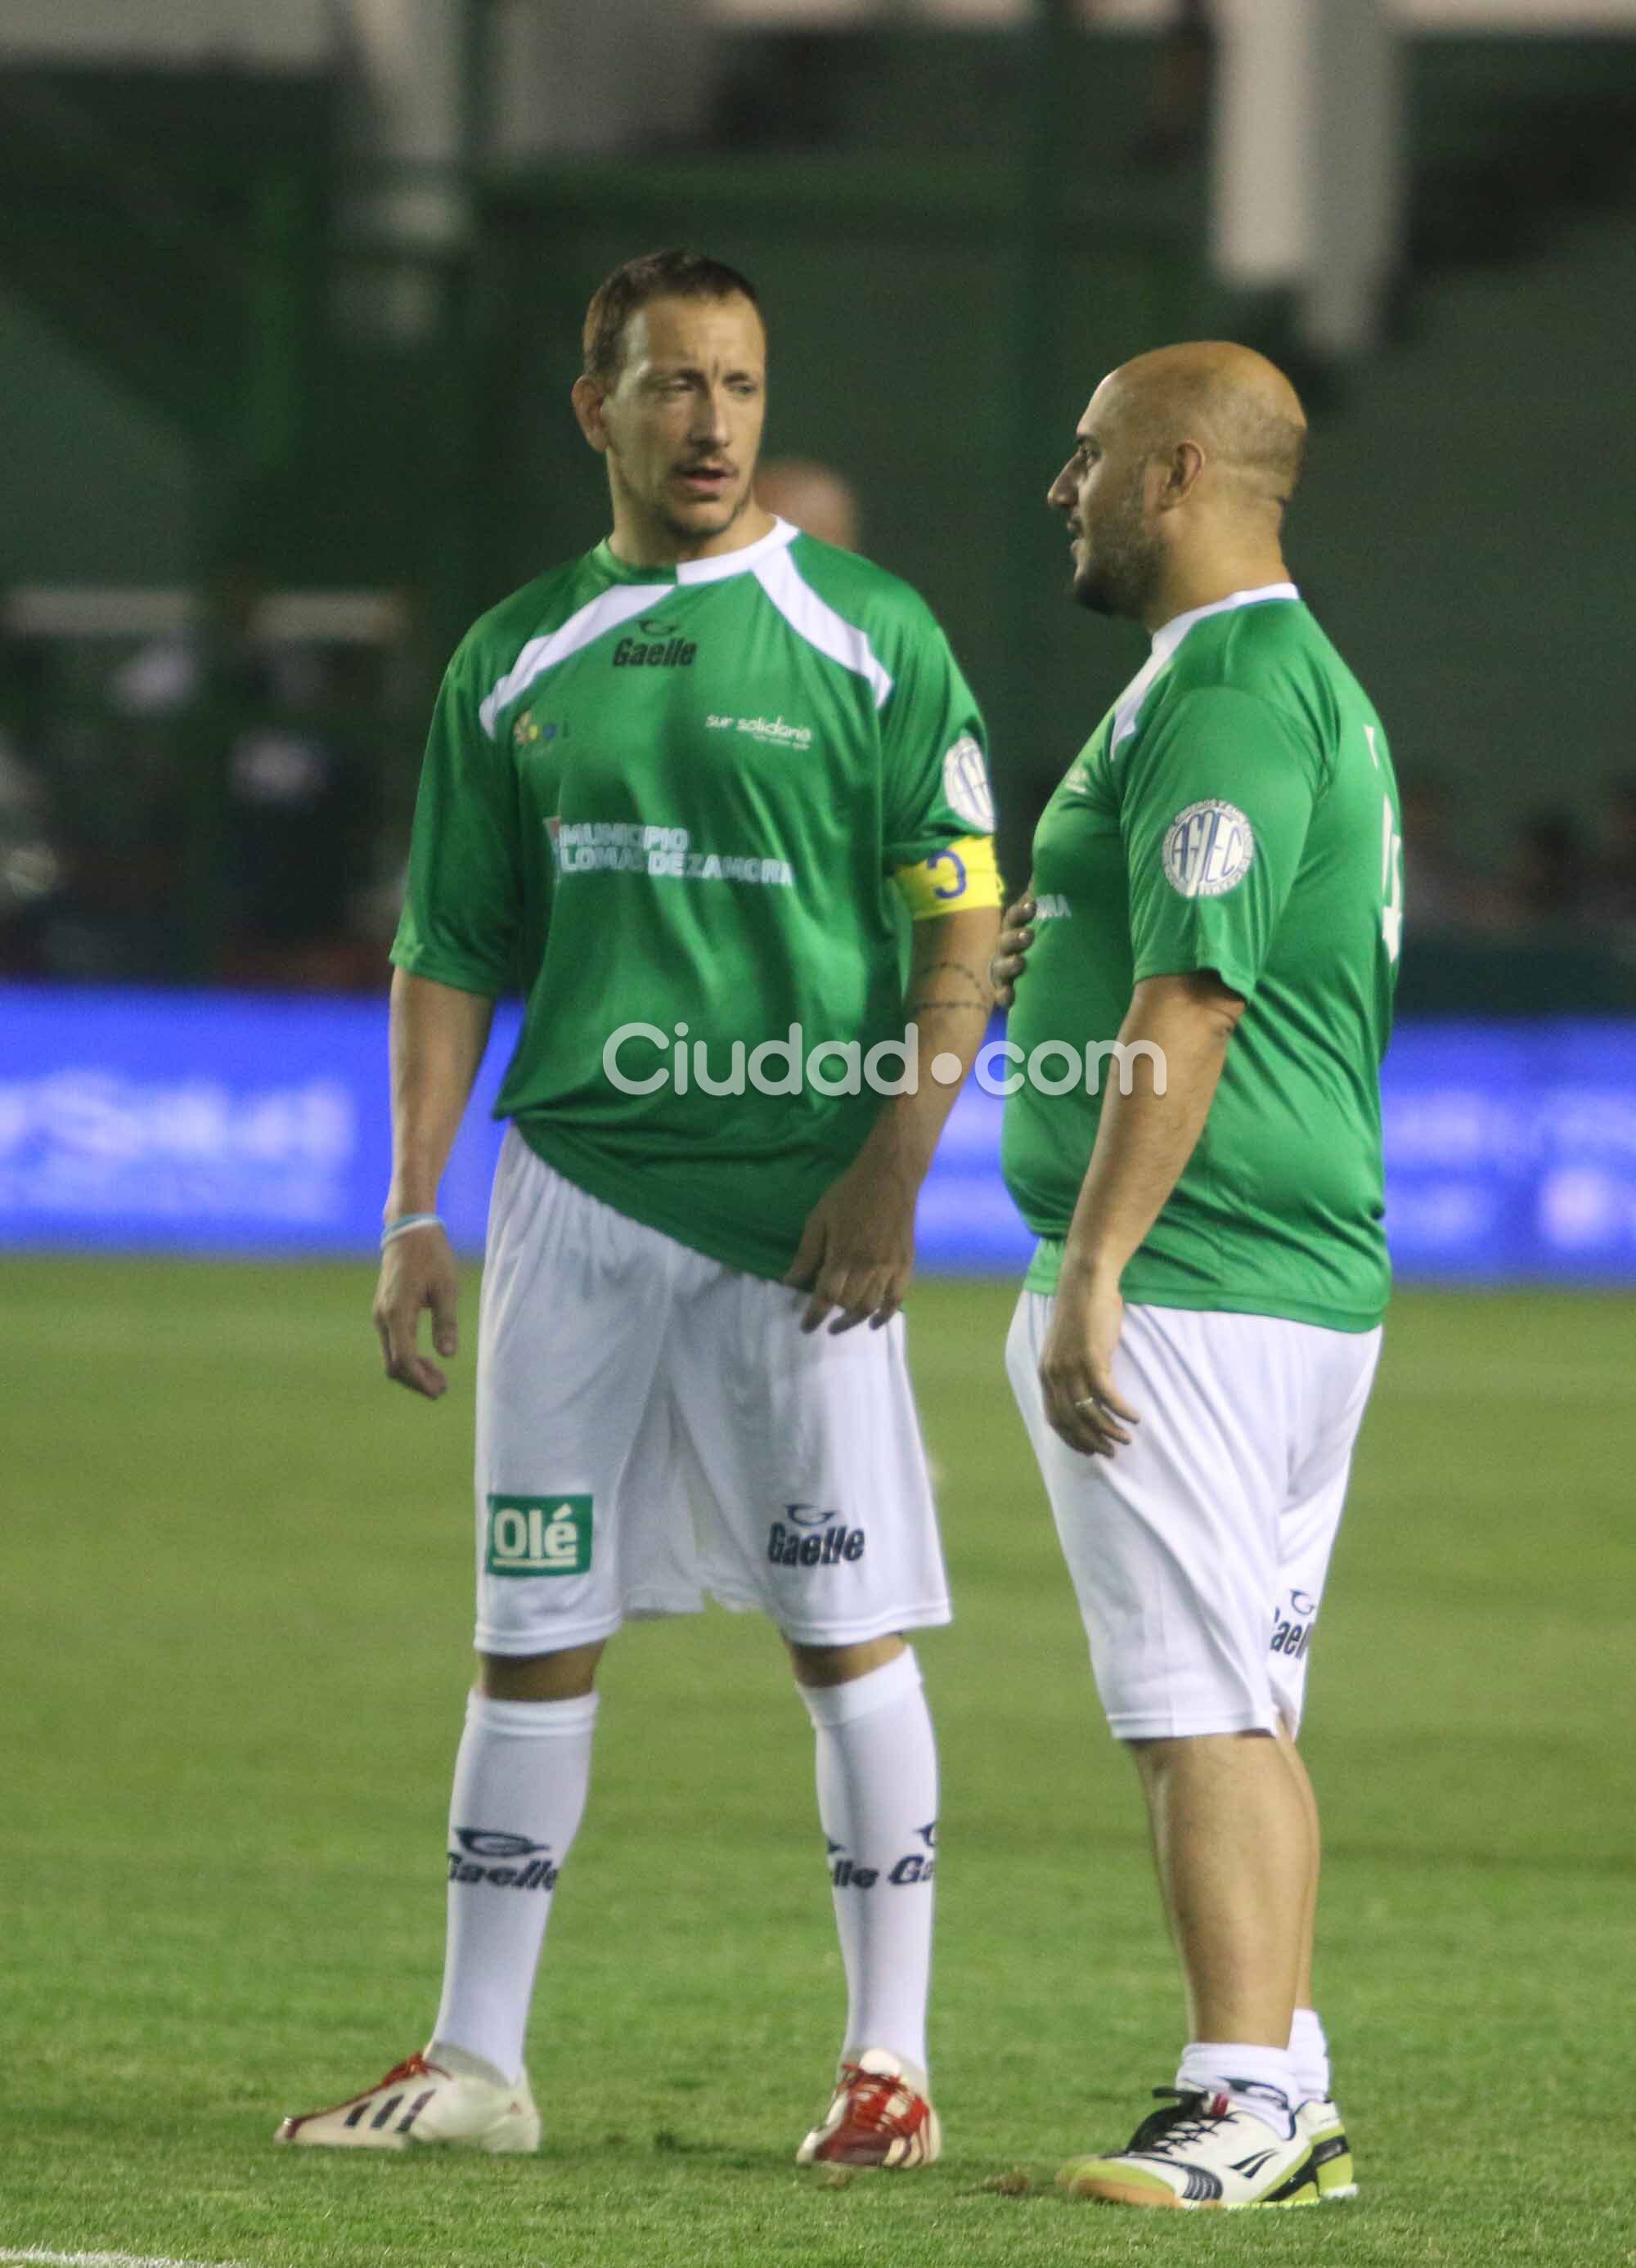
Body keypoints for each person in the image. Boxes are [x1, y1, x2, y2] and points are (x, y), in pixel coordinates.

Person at [275, 249, 1001, 2167]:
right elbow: (451, 945)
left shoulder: (869, 636)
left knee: (844, 1635)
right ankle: (478, 2064)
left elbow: (964, 929)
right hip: (573, 1202)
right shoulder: (511, 656)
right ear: (593, 408)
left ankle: (891, 2069)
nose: (712, 422)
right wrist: (407, 1207)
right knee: (530, 1625)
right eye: (673, 386)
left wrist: (891, 1170)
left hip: (796, 1218)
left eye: (743, 385)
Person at [991, 341, 1400, 2210]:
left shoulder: (1227, 696)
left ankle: (1241, 2093)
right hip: (1290, 1276)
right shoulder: (1271, 681)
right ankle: (1287, 2071)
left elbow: (1199, 992)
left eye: (1083, 458)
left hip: (1197, 1278)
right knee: (1239, 1690)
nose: (1057, 491)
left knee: (1194, 1705)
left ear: (1172, 474)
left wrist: (1094, 1264)